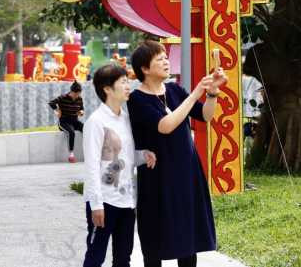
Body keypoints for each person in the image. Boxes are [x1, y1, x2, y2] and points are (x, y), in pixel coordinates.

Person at [127, 40, 227, 267]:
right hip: (158, 176)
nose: (166, 62)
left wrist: (211, 94)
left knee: (188, 235)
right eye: (159, 59)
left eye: (165, 57)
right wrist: (195, 93)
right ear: (144, 68)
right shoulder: (137, 99)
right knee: (156, 235)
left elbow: (205, 115)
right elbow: (165, 126)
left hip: (186, 171)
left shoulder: (174, 90)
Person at [82, 64, 157, 267]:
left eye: (128, 81)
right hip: (104, 201)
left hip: (126, 201)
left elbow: (125, 157)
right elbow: (91, 166)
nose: (128, 86)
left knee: (123, 258)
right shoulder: (96, 122)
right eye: (123, 82)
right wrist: (96, 205)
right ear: (107, 89)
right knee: (95, 256)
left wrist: (143, 155)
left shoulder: (125, 118)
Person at [48, 80, 85, 163]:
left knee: (86, 129)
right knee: (71, 132)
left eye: (78, 94)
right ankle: (71, 154)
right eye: (75, 94)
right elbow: (51, 103)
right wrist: (57, 110)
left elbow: (82, 108)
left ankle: (91, 151)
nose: (77, 96)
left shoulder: (79, 99)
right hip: (64, 122)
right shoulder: (63, 97)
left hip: (75, 121)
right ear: (71, 92)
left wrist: (81, 112)